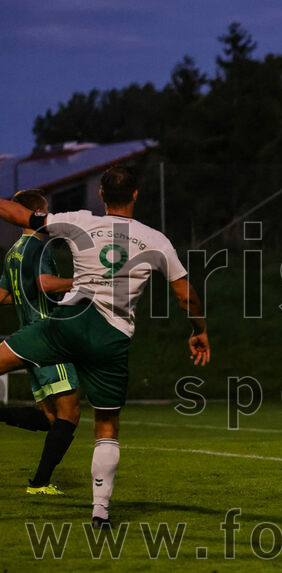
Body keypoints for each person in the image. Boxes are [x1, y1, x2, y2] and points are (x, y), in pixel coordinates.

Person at [0, 165, 211, 529]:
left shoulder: (79, 221)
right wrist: (199, 330)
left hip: (67, 323)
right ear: (135, 194)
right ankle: (100, 511)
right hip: (110, 337)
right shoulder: (156, 240)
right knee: (107, 425)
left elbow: (20, 214)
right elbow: (184, 295)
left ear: (100, 195)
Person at [0, 189, 78, 495]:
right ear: (38, 210)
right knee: (69, 414)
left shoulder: (13, 251)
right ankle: (40, 483)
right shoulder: (40, 247)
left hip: (25, 338)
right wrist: (82, 281)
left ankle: (40, 482)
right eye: (46, 209)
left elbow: (4, 296)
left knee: (51, 418)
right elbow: (46, 284)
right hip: (48, 338)